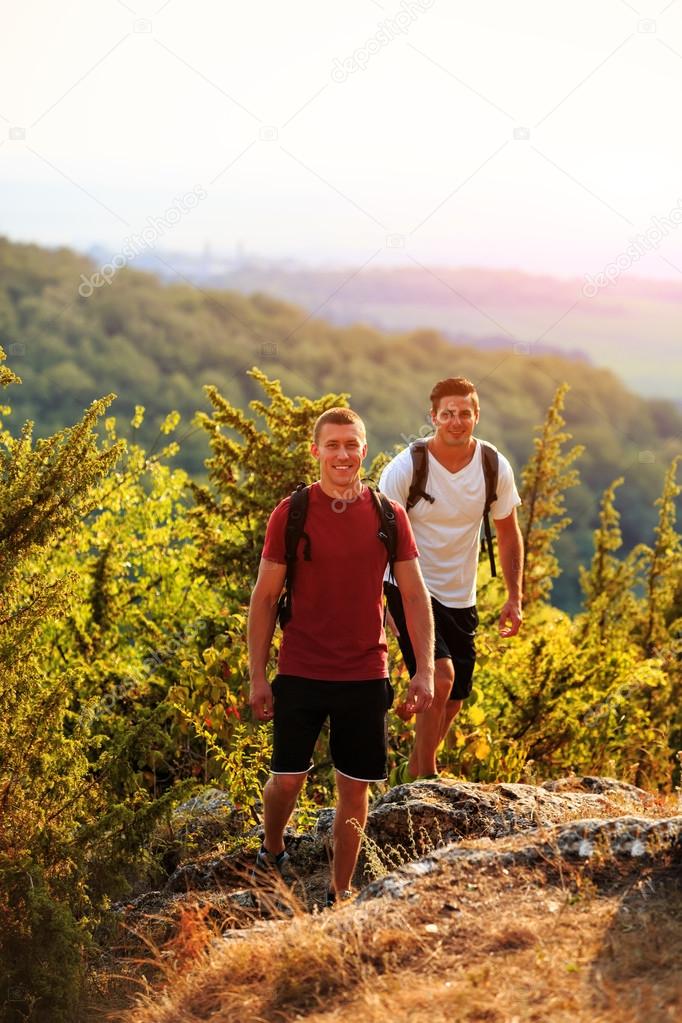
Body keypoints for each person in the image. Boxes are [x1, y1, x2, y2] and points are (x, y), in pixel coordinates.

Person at [247, 407, 435, 906]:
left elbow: (415, 596)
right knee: (287, 779)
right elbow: (265, 599)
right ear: (316, 452)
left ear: (363, 451)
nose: (343, 455)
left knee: (354, 790)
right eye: (332, 445)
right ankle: (272, 850)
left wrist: (425, 670)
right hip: (301, 670)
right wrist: (257, 677)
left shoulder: (387, 517)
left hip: (365, 673)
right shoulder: (292, 514)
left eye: (351, 445)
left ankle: (341, 893)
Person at [379, 377, 523, 780]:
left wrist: (515, 597)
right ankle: (427, 778)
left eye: (464, 414)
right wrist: (381, 604)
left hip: (461, 595)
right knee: (440, 677)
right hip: (408, 589)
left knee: (456, 696)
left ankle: (412, 769)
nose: (456, 422)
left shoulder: (493, 466)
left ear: (476, 416)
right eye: (448, 414)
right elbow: (376, 540)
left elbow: (509, 534)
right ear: (433, 417)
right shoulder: (407, 467)